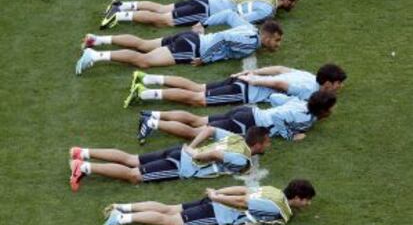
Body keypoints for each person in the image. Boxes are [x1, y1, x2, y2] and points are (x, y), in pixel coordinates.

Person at [68, 126, 270, 192]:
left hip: (179, 152)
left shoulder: (235, 138)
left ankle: (82, 152)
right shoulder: (242, 160)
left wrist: (191, 147)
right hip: (183, 165)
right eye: (266, 143)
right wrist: (197, 154)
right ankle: (83, 167)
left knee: (132, 159)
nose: (268, 146)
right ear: (258, 144)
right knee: (133, 175)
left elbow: (209, 129)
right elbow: (217, 155)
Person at [100, 180, 316, 225]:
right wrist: (219, 199)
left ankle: (122, 206)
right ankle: (120, 219)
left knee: (169, 209)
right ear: (296, 197)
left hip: (218, 201)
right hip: (220, 212)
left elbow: (242, 190)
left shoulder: (273, 190)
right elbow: (242, 202)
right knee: (171, 223)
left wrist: (218, 193)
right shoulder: (281, 211)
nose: (307, 205)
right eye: (306, 200)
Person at [75, 20, 283, 76]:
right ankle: (95, 55)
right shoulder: (250, 42)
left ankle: (97, 39)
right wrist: (206, 59)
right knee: (144, 60)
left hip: (191, 38)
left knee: (144, 44)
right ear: (265, 36)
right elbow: (224, 39)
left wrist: (204, 24)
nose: (277, 45)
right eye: (275, 40)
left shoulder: (250, 29)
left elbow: (228, 18)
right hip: (194, 48)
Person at [137, 90, 337, 144]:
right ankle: (152, 122)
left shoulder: (300, 103)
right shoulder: (304, 118)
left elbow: (276, 98)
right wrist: (289, 136)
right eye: (330, 109)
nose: (331, 112)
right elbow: (279, 119)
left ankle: (153, 114)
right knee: (197, 133)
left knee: (199, 120)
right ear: (320, 109)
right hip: (248, 123)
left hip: (247, 112)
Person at [123, 63, 346, 108]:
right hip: (245, 90)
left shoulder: (307, 75)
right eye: (337, 84)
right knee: (197, 99)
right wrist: (253, 79)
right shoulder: (308, 90)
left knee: (197, 87)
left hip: (244, 81)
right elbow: (278, 82)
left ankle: (146, 78)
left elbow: (279, 68)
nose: (339, 88)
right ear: (327, 83)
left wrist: (251, 71)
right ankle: (145, 93)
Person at [101, 0, 304, 30]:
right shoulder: (268, 10)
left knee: (164, 8)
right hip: (209, 9)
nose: (294, 6)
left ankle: (123, 4)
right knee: (164, 20)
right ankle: (118, 14)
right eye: (294, 2)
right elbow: (239, 20)